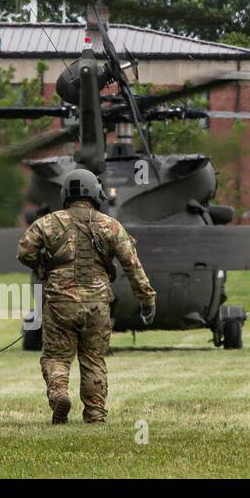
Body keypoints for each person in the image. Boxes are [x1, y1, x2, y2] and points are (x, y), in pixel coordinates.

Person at [18, 169, 156, 424]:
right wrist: (147, 299)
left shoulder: (49, 222)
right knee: (93, 359)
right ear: (95, 193)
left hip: (60, 302)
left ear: (65, 195)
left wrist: (43, 266)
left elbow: (24, 251)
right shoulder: (110, 226)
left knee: (56, 357)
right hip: (97, 303)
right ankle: (94, 414)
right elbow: (132, 265)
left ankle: (59, 393)